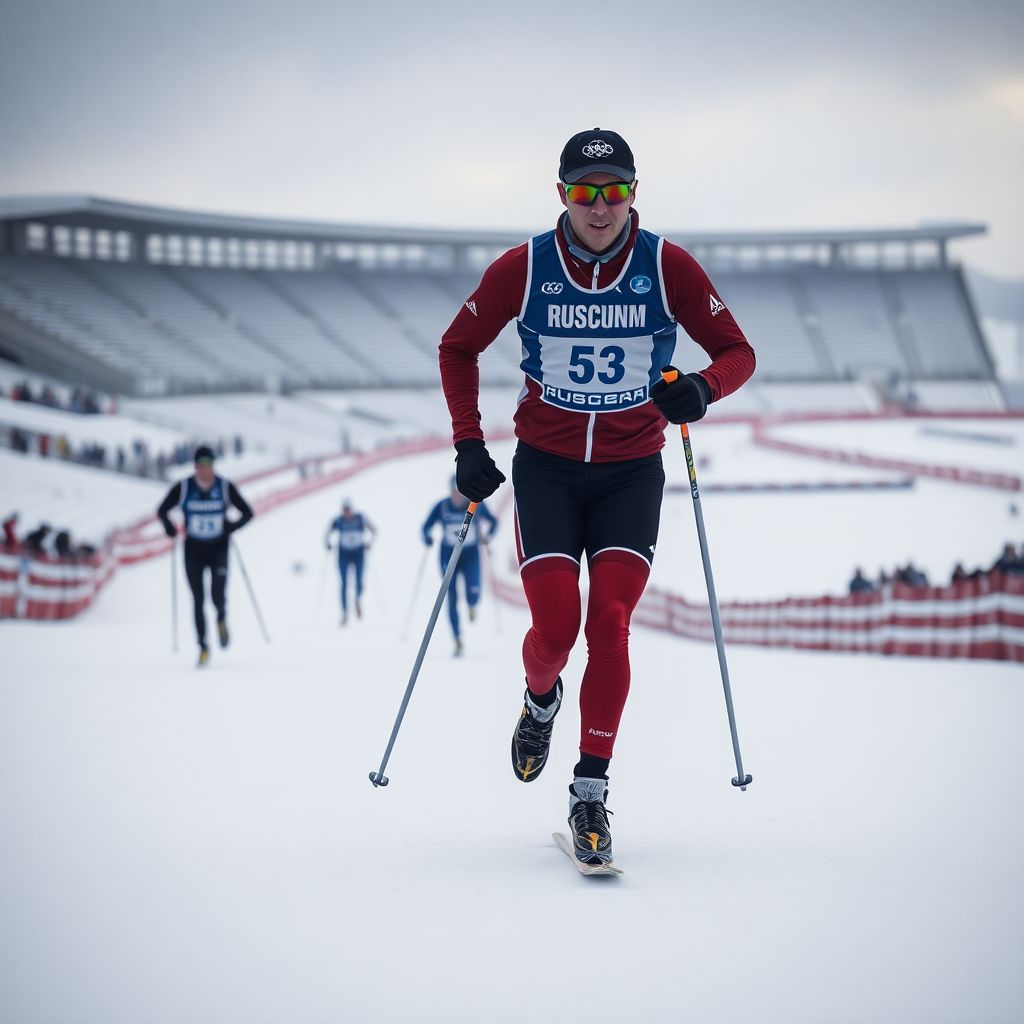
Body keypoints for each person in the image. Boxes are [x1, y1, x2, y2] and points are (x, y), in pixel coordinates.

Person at [438, 128, 755, 866]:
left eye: (616, 190)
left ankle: (589, 792)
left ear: (634, 193)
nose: (601, 206)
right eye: (586, 192)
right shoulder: (523, 268)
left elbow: (737, 352)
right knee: (555, 630)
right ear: (562, 196)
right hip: (546, 469)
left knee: (608, 622)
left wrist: (700, 390)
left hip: (628, 472)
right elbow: (458, 346)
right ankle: (539, 700)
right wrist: (467, 442)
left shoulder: (667, 264)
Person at [156, 445, 254, 667]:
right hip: (193, 550)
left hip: (218, 548)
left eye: (208, 466)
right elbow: (162, 510)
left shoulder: (225, 487)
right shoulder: (183, 487)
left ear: (213, 467)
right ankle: (203, 646)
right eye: (201, 466)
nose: (205, 471)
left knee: (217, 595)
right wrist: (169, 527)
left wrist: (232, 526)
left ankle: (221, 618)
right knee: (198, 600)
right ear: (195, 467)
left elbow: (248, 512)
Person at [421, 476, 498, 656]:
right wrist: (427, 537)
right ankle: (457, 639)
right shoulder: (442, 506)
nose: (457, 497)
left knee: (474, 591)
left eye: (460, 493)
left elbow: (494, 521)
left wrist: (489, 536)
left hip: (471, 555)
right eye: (454, 493)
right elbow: (425, 527)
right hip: (448, 556)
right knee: (452, 597)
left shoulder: (476, 504)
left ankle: (472, 604)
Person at [325, 498, 377, 625]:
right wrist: (328, 544)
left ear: (351, 509)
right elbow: (327, 533)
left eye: (348, 510)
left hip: (358, 553)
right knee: (344, 583)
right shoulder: (338, 520)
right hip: (344, 554)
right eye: (344, 510)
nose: (346, 512)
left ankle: (357, 599)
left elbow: (374, 530)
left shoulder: (360, 518)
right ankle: (344, 613)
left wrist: (369, 543)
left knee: (359, 580)